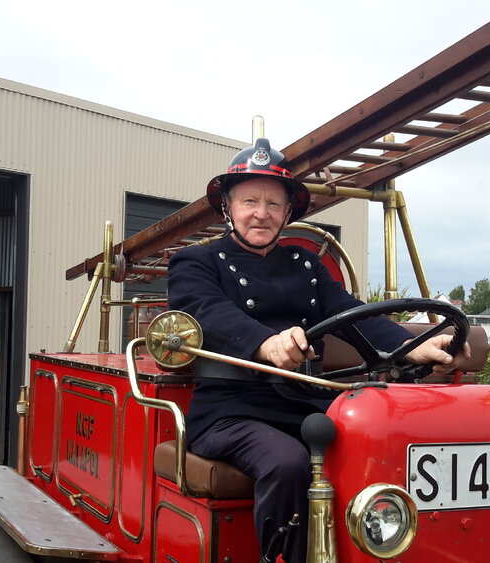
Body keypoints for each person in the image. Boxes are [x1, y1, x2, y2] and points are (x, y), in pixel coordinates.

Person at [167, 138, 470, 560]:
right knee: (288, 463)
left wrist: (407, 347)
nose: (262, 213)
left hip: (306, 403)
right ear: (228, 208)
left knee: (385, 443)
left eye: (274, 204)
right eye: (250, 201)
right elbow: (209, 312)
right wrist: (266, 344)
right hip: (231, 411)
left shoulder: (305, 264)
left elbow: (351, 313)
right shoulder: (198, 263)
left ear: (288, 213)